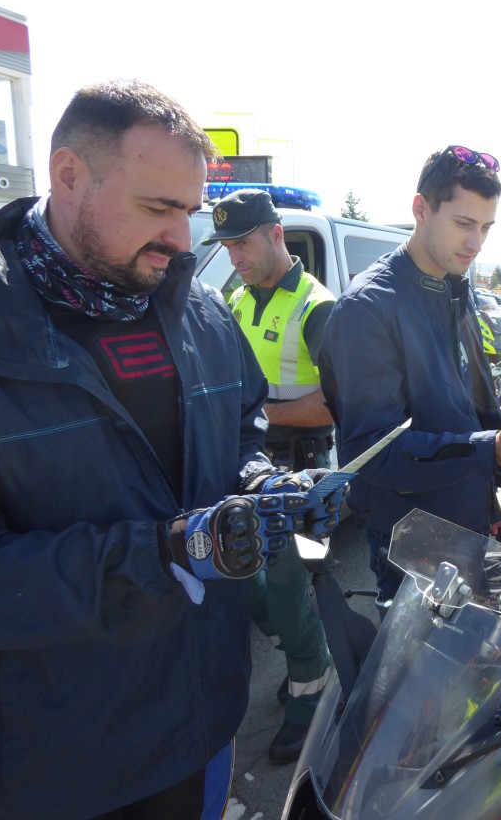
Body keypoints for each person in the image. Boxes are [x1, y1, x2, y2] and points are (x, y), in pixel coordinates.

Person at [0, 81, 345, 819]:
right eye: (157, 208)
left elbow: (240, 433)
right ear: (68, 176)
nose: (184, 241)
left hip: (204, 723)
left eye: (189, 211)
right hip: (52, 760)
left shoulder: (199, 310)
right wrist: (163, 555)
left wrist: (264, 488)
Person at [319, 145, 501, 607]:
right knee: (423, 676)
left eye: (486, 227)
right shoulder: (368, 309)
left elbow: (467, 412)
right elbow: (371, 453)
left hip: (470, 520)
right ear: (420, 209)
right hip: (411, 541)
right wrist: (489, 450)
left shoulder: (455, 289)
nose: (476, 243)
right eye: (463, 224)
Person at [202, 188, 335, 765]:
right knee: (247, 585)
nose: (234, 256)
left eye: (243, 242)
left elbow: (337, 403)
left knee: (284, 589)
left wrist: (255, 415)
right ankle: (311, 656)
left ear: (276, 235)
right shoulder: (237, 297)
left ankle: (309, 694)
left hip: (300, 469)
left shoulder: (316, 304)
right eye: (226, 245)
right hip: (244, 464)